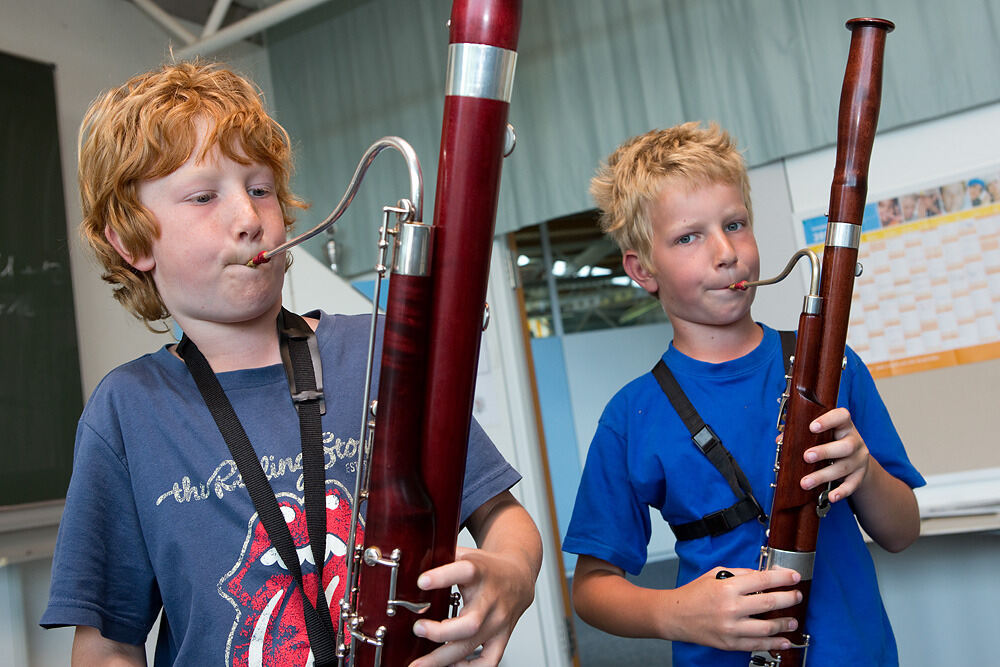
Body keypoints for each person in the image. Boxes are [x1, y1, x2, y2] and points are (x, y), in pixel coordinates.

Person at [40, 61, 541, 667]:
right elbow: (105, 645)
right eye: (204, 197)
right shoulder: (125, 410)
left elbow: (502, 517)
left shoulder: (377, 349)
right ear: (133, 241)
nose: (250, 220)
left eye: (260, 189)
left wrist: (513, 571)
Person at [562, 122, 924, 666]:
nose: (726, 252)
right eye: (689, 237)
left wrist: (865, 470)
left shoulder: (833, 365)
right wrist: (675, 613)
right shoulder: (631, 416)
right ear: (642, 269)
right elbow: (590, 587)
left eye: (735, 224)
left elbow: (902, 532)